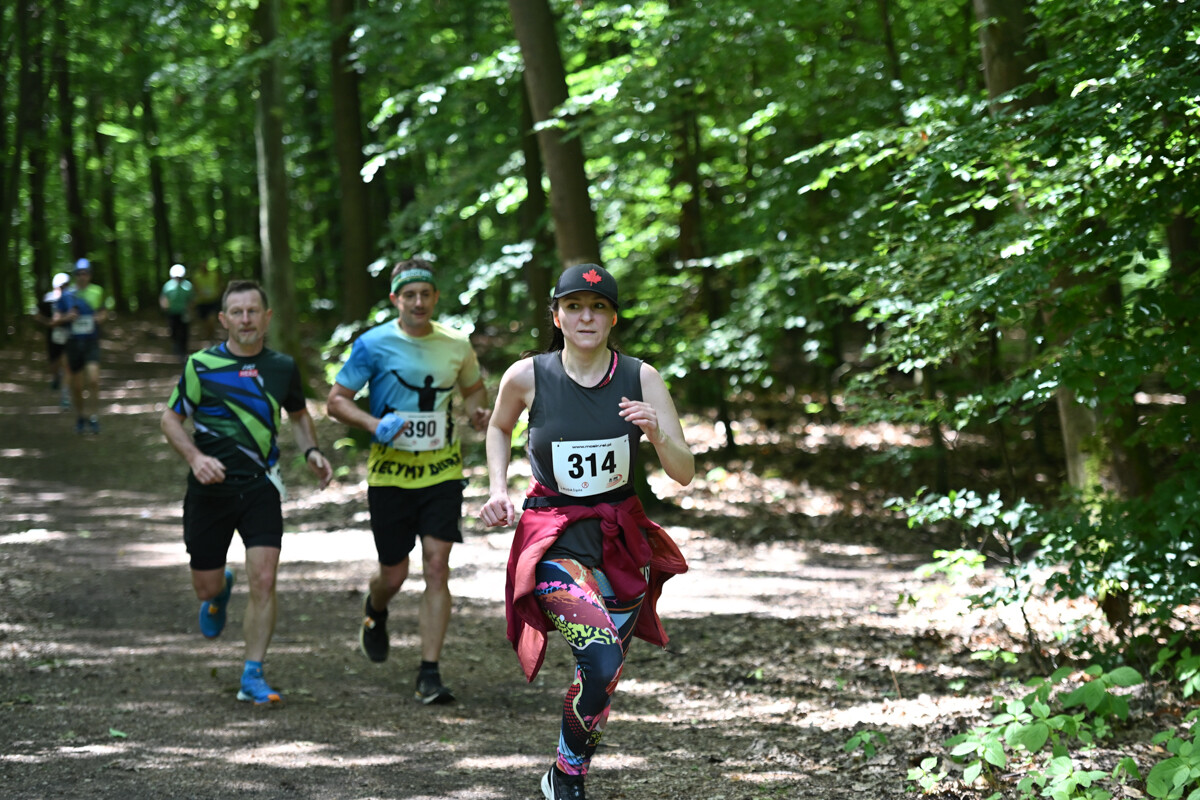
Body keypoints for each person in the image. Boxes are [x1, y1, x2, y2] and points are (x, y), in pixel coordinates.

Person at [478, 264, 695, 800]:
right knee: (599, 656)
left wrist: (657, 433)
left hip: (620, 540)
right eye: (574, 306)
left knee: (604, 672)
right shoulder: (528, 375)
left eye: (598, 307)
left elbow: (684, 469)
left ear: (613, 317)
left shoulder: (641, 377)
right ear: (556, 314)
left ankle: (564, 772)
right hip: (554, 534)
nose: (586, 317)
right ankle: (569, 778)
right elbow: (499, 425)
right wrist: (497, 487)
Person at [160, 279, 333, 705]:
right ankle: (218, 592)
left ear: (267, 317)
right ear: (223, 320)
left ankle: (253, 673)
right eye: (236, 312)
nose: (245, 319)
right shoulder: (200, 365)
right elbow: (169, 419)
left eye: (253, 311)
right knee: (204, 586)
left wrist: (310, 450)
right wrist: (196, 458)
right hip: (209, 492)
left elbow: (297, 414)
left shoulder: (281, 367)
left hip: (259, 486)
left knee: (265, 579)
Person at [326, 258, 490, 705]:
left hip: (442, 472)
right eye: (409, 295)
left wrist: (478, 411)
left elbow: (475, 390)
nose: (418, 302)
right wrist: (373, 423)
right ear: (396, 299)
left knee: (437, 565)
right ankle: (375, 608)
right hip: (390, 476)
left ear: (436, 298)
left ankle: (429, 672)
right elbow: (336, 401)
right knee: (394, 574)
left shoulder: (456, 343)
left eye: (426, 294)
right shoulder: (372, 345)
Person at [51, 258, 106, 434]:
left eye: (86, 273)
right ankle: (81, 416)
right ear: (75, 276)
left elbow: (104, 312)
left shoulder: (97, 291)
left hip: (91, 342)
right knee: (77, 386)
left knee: (94, 380)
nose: (83, 276)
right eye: (79, 274)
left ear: (90, 275)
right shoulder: (67, 295)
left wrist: (99, 318)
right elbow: (55, 319)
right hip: (73, 344)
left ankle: (94, 415)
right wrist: (67, 318)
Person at [35, 271, 71, 409]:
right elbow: (36, 314)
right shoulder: (48, 299)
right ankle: (55, 378)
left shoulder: (71, 298)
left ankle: (65, 396)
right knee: (54, 365)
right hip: (53, 337)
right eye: (61, 286)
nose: (64, 288)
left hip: (68, 336)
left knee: (66, 364)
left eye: (66, 285)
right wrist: (48, 322)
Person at [160, 263, 195, 358]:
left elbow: (191, 299)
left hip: (184, 312)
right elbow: (164, 298)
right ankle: (176, 344)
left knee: (184, 331)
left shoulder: (188, 286)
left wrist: (190, 310)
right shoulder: (168, 286)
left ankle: (183, 349)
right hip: (172, 312)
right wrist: (165, 307)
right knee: (173, 330)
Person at [191, 261, 223, 344]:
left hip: (212, 301)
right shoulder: (197, 276)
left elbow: (219, 284)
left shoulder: (214, 275)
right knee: (204, 321)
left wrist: (218, 293)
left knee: (211, 319)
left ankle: (211, 335)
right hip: (201, 302)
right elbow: (195, 288)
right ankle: (207, 335)